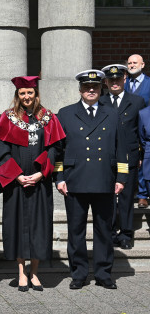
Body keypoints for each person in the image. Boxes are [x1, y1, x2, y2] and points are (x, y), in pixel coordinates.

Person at [54, 70, 128, 290]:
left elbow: (121, 148)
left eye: (95, 87)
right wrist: (59, 177)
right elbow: (58, 150)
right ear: (80, 90)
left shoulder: (112, 113)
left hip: (105, 179)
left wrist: (121, 177)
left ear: (101, 89)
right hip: (75, 180)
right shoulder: (65, 114)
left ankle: (104, 273)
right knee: (75, 230)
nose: (91, 91)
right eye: (87, 87)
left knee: (104, 230)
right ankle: (78, 274)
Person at [0, 76, 66, 291]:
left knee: (39, 227)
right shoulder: (8, 118)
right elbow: (1, 151)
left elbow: (55, 150)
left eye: (30, 93)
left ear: (36, 94)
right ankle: (20, 273)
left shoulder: (49, 118)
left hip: (39, 183)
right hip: (16, 185)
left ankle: (34, 272)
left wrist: (41, 174)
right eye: (22, 93)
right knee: (16, 226)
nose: (26, 97)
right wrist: (16, 175)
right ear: (18, 95)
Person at [100, 64, 145, 250]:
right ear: (106, 82)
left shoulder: (137, 101)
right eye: (111, 80)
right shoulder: (100, 102)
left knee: (126, 197)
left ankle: (126, 233)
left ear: (124, 78)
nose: (115, 83)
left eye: (118, 79)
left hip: (129, 156)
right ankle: (109, 232)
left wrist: (141, 154)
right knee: (108, 196)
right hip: (106, 158)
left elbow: (142, 130)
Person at [125, 54, 149, 208]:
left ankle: (142, 194)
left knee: (144, 158)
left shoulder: (149, 83)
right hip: (128, 126)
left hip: (145, 126)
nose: (132, 65)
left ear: (143, 65)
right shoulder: (123, 83)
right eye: (129, 63)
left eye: (135, 63)